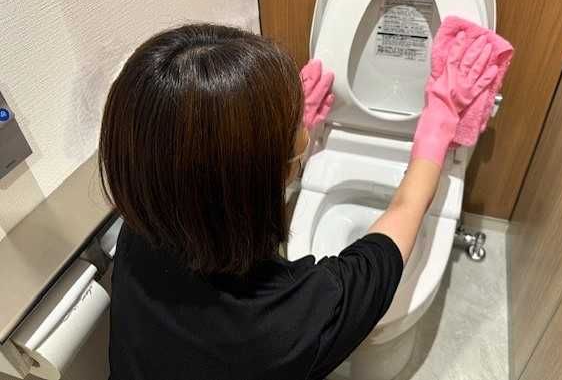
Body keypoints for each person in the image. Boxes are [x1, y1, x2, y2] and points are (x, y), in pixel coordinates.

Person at [99, 24, 495, 380]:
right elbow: (402, 216)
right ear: (267, 176)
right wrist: (440, 120)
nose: (303, 136)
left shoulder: (144, 219)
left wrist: (262, 125)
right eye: (295, 136)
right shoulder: (289, 323)